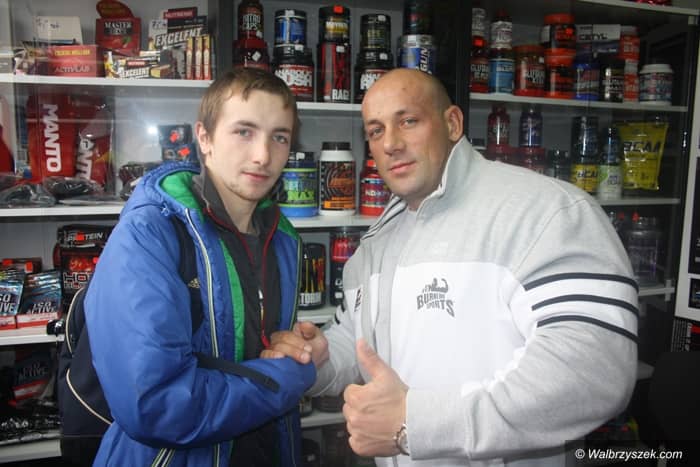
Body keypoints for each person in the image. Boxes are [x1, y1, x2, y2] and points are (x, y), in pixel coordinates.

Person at [263, 68, 638, 466]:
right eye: (375, 130)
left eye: (408, 121)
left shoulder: (544, 211)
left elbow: (591, 372)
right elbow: (359, 340)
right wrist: (318, 358)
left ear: (453, 124)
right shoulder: (377, 240)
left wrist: (416, 424)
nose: (390, 143)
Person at [84, 68, 316, 466]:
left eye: (279, 137)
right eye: (244, 131)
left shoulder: (283, 239)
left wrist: (302, 347)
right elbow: (156, 405)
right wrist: (293, 375)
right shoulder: (149, 233)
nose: (263, 156)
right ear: (204, 138)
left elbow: (261, 348)